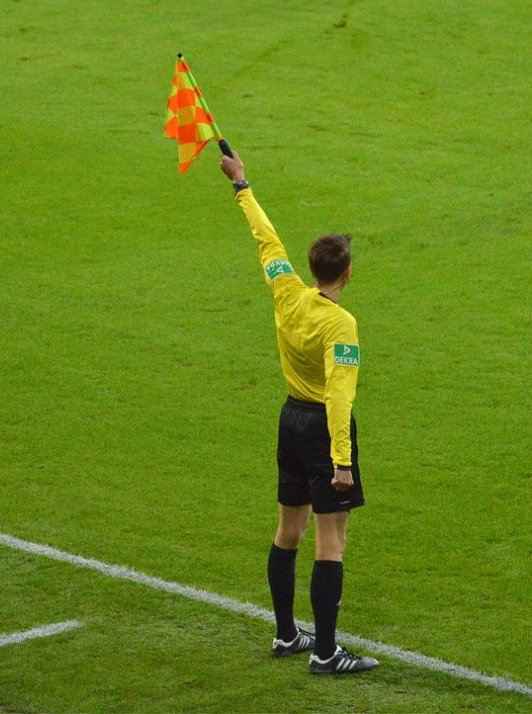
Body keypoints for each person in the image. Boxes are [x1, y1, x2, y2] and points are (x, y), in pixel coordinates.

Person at [219, 149, 378, 676]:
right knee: (331, 541)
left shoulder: (287, 292)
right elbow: (339, 395)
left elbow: (267, 241)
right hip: (321, 431)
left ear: (311, 269)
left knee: (288, 531)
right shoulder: (342, 325)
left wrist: (242, 184)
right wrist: (342, 461)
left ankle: (287, 634)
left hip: (289, 421)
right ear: (348, 273)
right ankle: (326, 653)